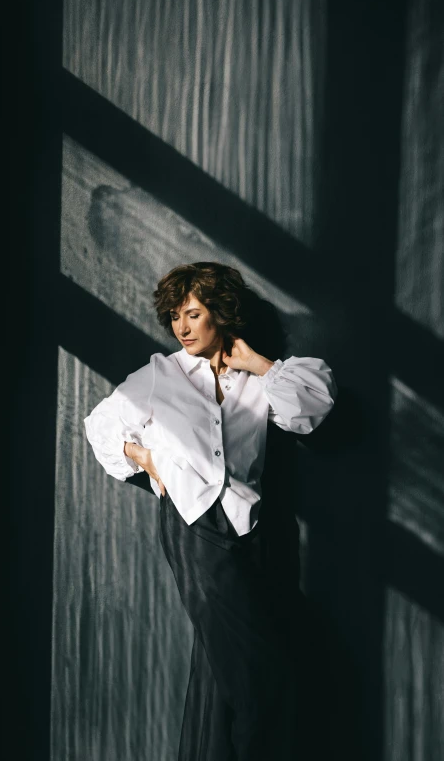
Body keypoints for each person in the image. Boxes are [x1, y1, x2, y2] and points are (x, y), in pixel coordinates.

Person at [84, 262, 338, 761]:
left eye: (194, 314)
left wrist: (258, 363)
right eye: (175, 316)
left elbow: (317, 404)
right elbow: (99, 425)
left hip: (257, 534)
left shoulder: (256, 378)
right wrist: (145, 457)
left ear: (221, 314)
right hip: (192, 530)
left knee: (217, 678)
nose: (181, 326)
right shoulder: (160, 375)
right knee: (262, 677)